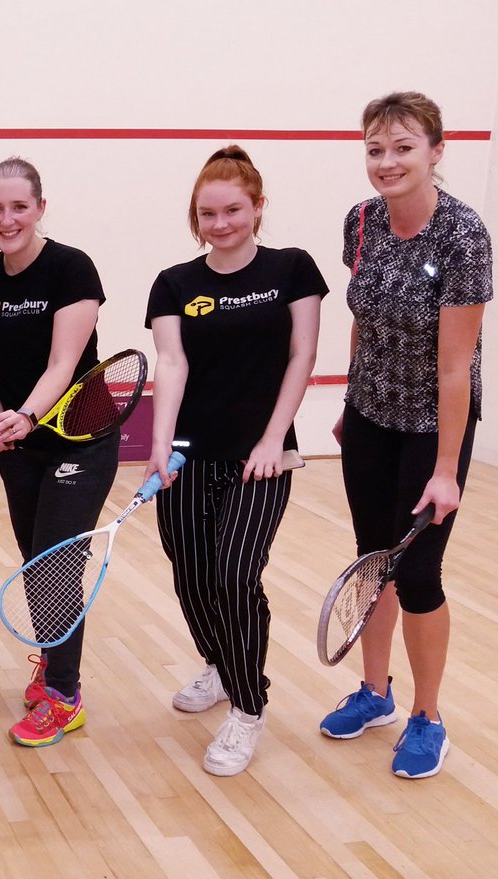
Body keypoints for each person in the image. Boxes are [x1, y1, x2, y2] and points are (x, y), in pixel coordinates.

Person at [318, 92, 490, 779]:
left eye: (402, 147)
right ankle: (375, 692)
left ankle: (427, 715)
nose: (386, 162)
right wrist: (350, 399)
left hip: (432, 428)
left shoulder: (463, 235)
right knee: (372, 560)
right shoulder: (360, 222)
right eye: (375, 149)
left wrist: (446, 467)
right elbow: (364, 312)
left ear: (436, 152)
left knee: (417, 572)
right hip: (368, 418)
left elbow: (456, 368)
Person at [145, 146, 326, 776]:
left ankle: (249, 707)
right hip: (190, 457)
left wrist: (275, 440)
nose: (220, 224)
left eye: (232, 211)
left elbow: (302, 355)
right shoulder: (175, 283)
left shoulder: (292, 269)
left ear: (257, 208)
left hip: (261, 458)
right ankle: (221, 665)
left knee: (235, 574)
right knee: (191, 576)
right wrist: (159, 447)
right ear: (194, 218)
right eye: (207, 214)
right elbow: (172, 364)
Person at [0, 157, 118, 747]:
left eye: (18, 207)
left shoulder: (70, 268)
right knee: (37, 564)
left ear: (40, 207)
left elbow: (64, 363)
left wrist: (26, 416)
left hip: (79, 437)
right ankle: (54, 663)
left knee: (56, 564)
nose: (7, 220)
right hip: (19, 442)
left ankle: (64, 694)